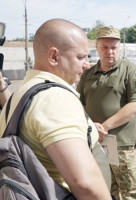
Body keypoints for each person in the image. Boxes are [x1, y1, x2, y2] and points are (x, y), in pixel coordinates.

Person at [0, 19, 112, 200]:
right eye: (80, 57)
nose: (87, 64)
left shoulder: (23, 91)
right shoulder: (54, 98)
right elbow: (85, 183)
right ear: (53, 57)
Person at [77, 25, 136, 200]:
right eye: (104, 48)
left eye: (113, 47)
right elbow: (79, 104)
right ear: (97, 48)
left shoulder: (129, 70)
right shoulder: (88, 74)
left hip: (122, 145)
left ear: (119, 47)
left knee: (131, 193)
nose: (110, 52)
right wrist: (92, 128)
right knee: (105, 190)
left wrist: (103, 127)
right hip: (94, 144)